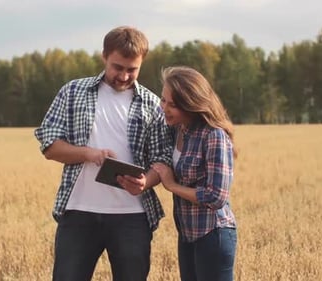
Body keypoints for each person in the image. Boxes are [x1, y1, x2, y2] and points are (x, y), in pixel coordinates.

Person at [34, 26, 172, 281]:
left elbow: (161, 159)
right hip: (78, 213)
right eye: (117, 67)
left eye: (132, 70)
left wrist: (145, 182)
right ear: (104, 57)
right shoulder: (73, 92)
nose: (123, 75)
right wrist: (89, 154)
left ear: (142, 63)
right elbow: (49, 145)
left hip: (132, 217)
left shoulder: (152, 104)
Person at [152, 66, 237, 281]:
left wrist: (172, 186)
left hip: (213, 234)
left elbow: (216, 197)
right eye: (163, 101)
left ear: (191, 104)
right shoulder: (176, 129)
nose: (164, 109)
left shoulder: (213, 136)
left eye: (173, 105)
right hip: (187, 234)